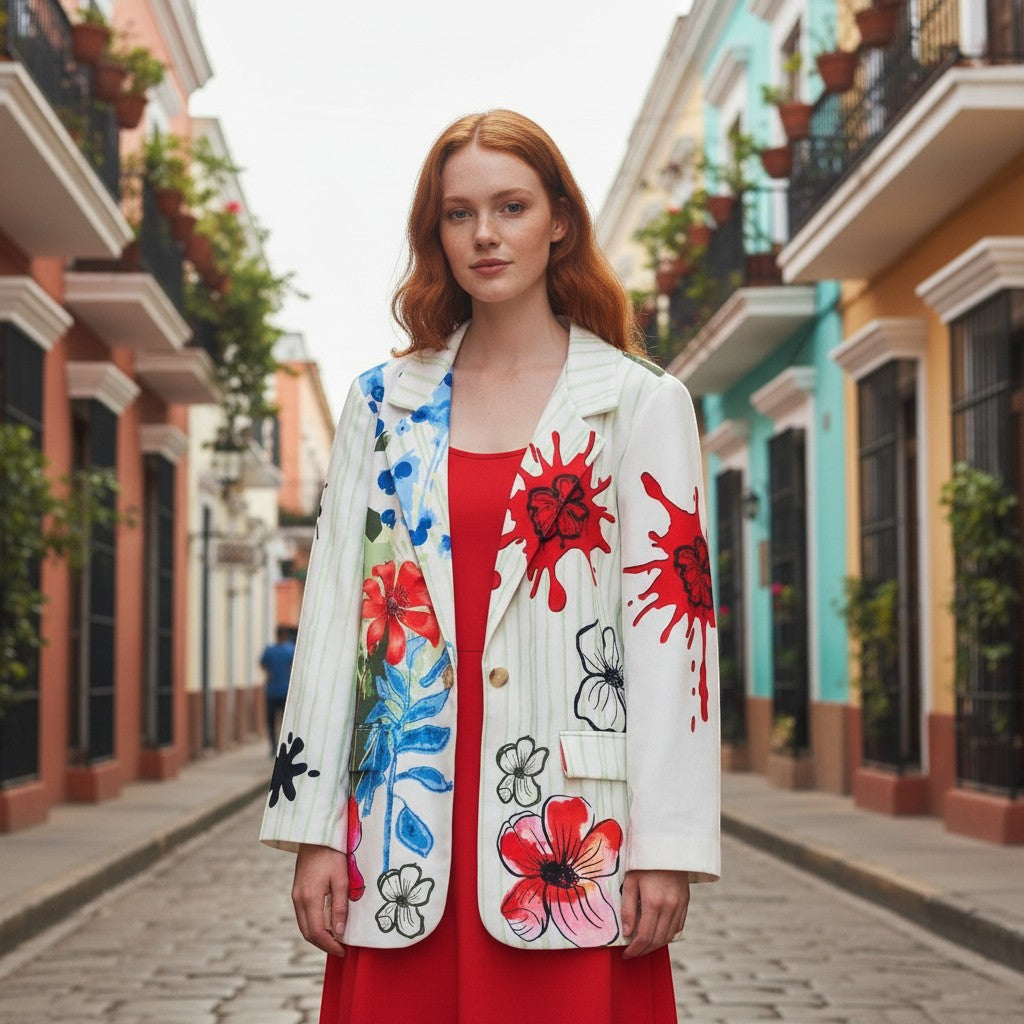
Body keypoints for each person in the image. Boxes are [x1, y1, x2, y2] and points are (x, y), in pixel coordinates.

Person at [260, 109, 720, 1023]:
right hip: (399, 827)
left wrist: (667, 843)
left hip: (571, 835)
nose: (485, 235)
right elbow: (330, 624)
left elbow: (676, 637)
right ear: (435, 234)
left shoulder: (639, 404)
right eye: (457, 213)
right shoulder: (382, 405)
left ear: (559, 219)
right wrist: (313, 831)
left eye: (510, 206)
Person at [260, 624, 296, 757]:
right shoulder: (290, 650)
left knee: (271, 721)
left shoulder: (270, 650)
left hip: (272, 690)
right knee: (286, 721)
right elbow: (293, 667)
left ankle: (273, 747)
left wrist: (272, 672)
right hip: (286, 690)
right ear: (286, 635)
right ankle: (285, 747)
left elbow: (263, 664)